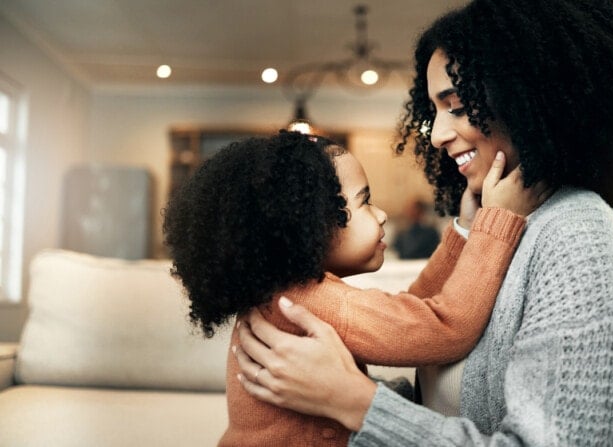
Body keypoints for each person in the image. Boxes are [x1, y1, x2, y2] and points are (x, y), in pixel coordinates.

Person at [234, 0, 613, 445]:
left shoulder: (579, 246)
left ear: (528, 98)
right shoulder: (513, 227)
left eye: (458, 106)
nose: (436, 133)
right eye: (434, 111)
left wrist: (354, 401)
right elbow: (449, 386)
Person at [162, 131, 548, 445]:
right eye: (364, 202)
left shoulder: (286, 296)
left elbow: (411, 311)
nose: (381, 215)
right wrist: (499, 221)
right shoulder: (310, 302)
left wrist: (464, 232)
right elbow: (446, 326)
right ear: (309, 224)